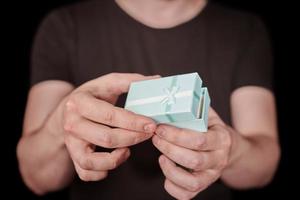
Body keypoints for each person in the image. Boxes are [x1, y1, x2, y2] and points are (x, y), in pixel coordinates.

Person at [16, 0, 280, 199]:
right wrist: (62, 122)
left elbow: (263, 166)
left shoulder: (243, 30)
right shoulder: (64, 25)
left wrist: (229, 149)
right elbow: (37, 177)